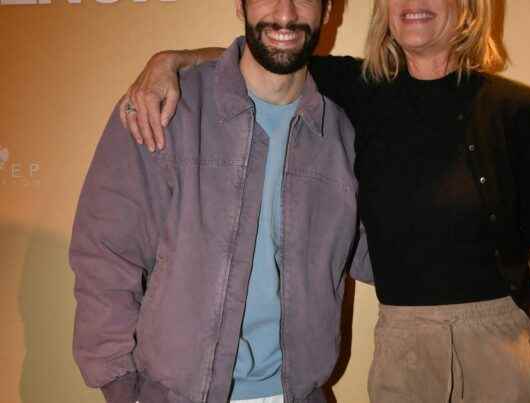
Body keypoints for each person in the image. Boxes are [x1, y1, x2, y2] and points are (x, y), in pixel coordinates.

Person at [121, 0, 530, 402]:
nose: (413, 4)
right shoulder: (360, 89)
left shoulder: (517, 109)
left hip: (500, 345)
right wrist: (170, 60)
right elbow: (267, 56)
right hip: (404, 349)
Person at [69, 1, 372, 403]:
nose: (285, 11)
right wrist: (120, 384)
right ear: (239, 4)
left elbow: (375, 253)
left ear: (327, 9)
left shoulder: (343, 133)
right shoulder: (166, 109)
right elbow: (105, 253)